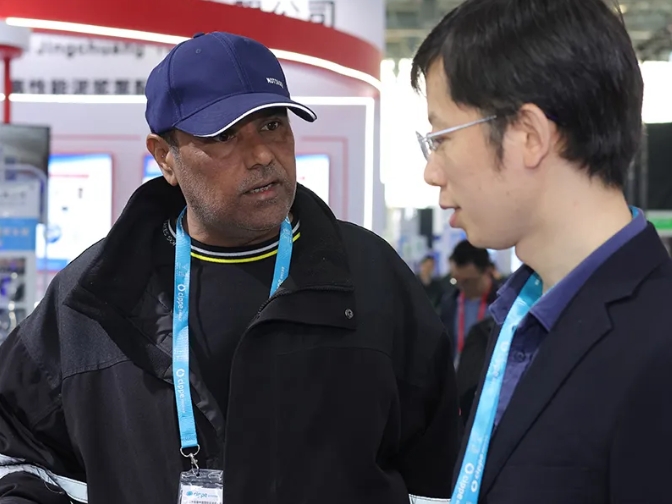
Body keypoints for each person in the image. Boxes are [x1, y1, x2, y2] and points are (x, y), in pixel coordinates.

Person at [0, 32, 459, 504]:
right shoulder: (94, 298)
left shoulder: (372, 278)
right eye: (224, 135)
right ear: (165, 158)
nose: (262, 155)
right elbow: (17, 449)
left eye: (273, 124)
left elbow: (440, 468)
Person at [412, 0, 672, 503]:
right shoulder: (515, 322)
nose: (431, 171)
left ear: (528, 136)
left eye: (441, 138)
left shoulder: (658, 349)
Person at [439, 240, 498, 364]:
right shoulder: (450, 304)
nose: (461, 286)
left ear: (486, 272)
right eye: (456, 280)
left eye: (467, 281)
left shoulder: (502, 305)